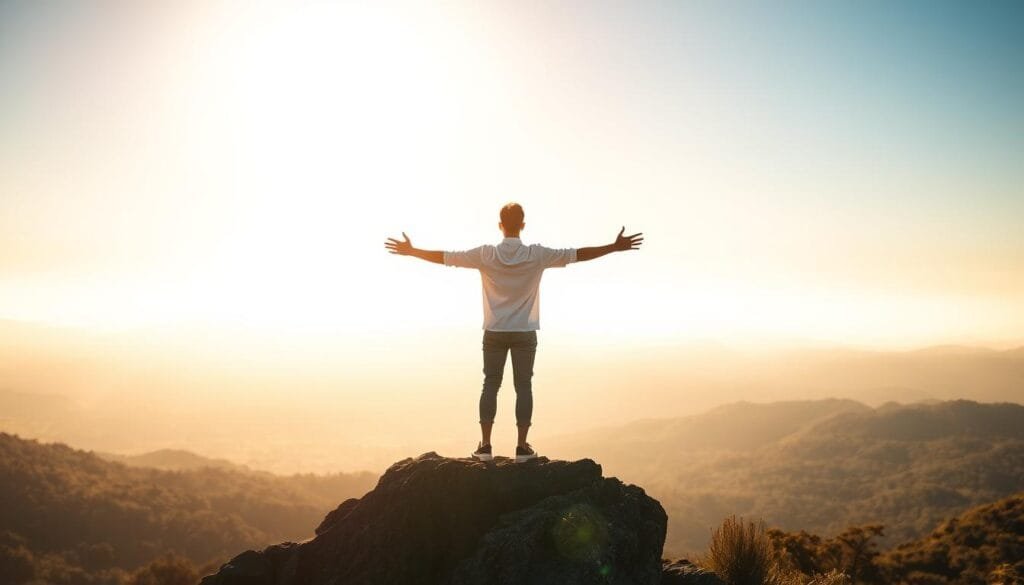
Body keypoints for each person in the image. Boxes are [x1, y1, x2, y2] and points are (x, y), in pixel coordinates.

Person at [384, 203, 643, 462]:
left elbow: (446, 258)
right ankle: (522, 448)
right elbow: (577, 255)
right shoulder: (537, 255)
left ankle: (485, 447)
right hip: (524, 332)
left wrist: (412, 251)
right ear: (523, 225)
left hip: (494, 332)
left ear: (500, 225)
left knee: (490, 385)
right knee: (524, 387)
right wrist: (613, 246)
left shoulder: (485, 255)